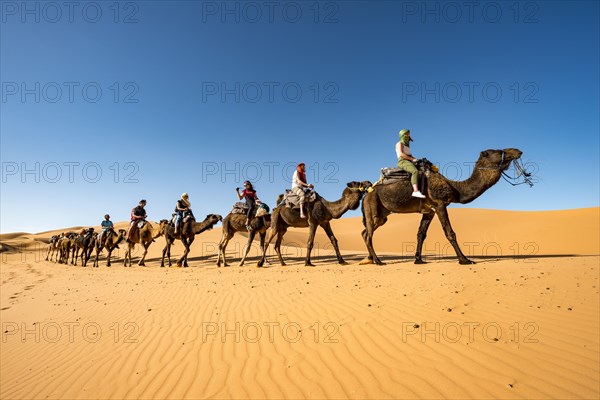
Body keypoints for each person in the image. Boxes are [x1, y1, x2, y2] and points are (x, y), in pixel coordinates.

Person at [396, 129, 426, 198]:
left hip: (409, 160)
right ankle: (415, 191)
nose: (408, 135)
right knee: (415, 171)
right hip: (403, 161)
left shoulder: (407, 146)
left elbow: (410, 155)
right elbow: (401, 154)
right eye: (407, 134)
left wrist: (417, 159)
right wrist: (412, 159)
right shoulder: (399, 143)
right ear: (402, 135)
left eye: (409, 134)